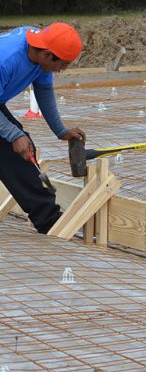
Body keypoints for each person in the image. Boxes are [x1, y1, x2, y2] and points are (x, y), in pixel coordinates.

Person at [0, 22, 86, 233]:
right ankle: (49, 221)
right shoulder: (6, 60)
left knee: (20, 149)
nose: (62, 69)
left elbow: (44, 90)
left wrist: (61, 130)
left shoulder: (41, 51)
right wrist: (13, 134)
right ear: (48, 55)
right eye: (63, 64)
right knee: (12, 147)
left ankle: (48, 219)